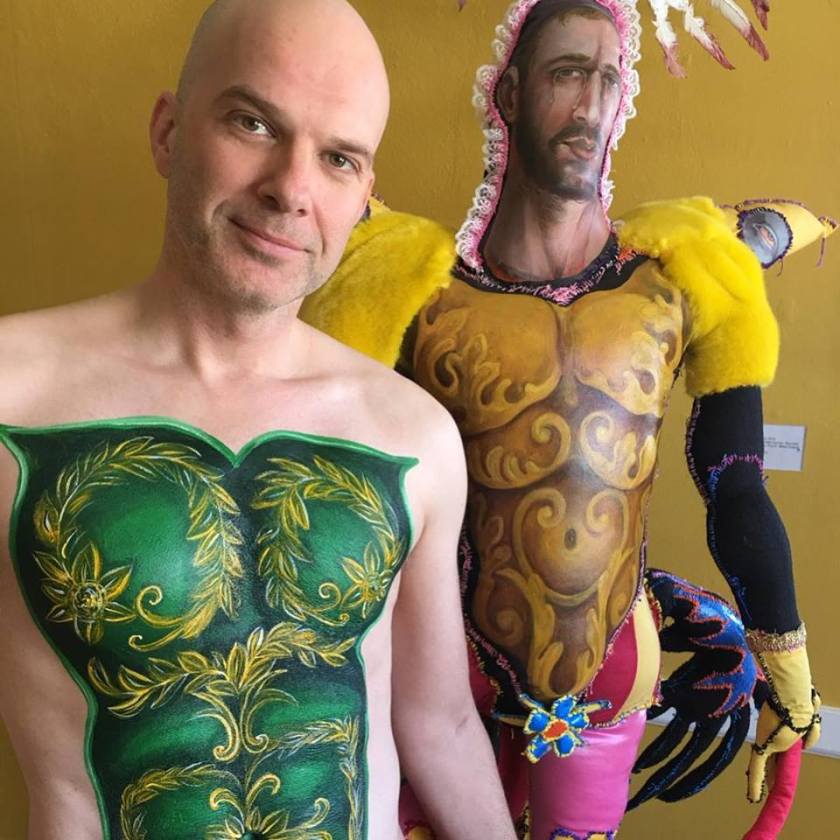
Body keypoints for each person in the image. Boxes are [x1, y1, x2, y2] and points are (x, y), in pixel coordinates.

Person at [300, 1, 822, 837]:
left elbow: (737, 486)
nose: (590, 103)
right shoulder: (412, 289)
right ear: (507, 94)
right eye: (568, 73)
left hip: (612, 673)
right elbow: (338, 496)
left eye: (609, 78)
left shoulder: (681, 282)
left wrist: (787, 668)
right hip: (439, 675)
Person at [0, 1, 517, 838]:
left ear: (363, 198)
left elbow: (442, 724)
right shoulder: (13, 393)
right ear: (169, 133)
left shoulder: (412, 434)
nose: (291, 189)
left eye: (339, 158)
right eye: (253, 123)